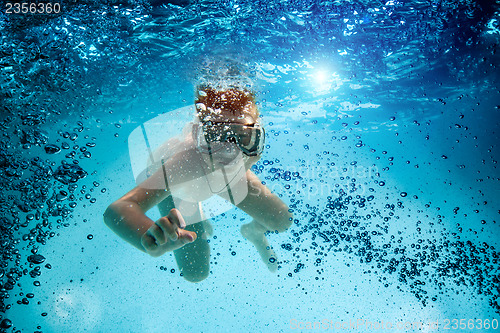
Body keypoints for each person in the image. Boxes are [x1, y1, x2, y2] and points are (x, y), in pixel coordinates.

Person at [103, 86, 293, 282]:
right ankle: (197, 213)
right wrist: (148, 236)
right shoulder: (185, 164)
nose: (230, 153)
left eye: (243, 137)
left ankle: (252, 232)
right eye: (217, 136)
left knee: (281, 220)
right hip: (179, 193)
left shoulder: (244, 156)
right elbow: (118, 209)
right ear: (198, 138)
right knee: (196, 272)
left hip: (215, 176)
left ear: (257, 138)